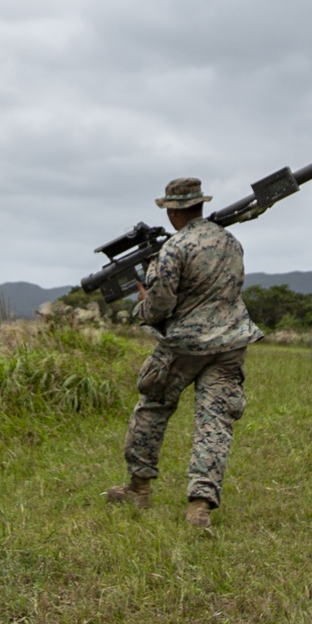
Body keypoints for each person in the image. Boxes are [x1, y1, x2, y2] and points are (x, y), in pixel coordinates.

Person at [105, 176, 262, 529]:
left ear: (174, 211)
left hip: (185, 345)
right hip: (231, 344)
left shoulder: (175, 248)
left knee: (153, 405)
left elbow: (161, 305)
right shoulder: (231, 241)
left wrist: (143, 306)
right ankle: (199, 508)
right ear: (199, 205)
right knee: (215, 422)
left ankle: (138, 488)